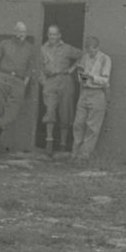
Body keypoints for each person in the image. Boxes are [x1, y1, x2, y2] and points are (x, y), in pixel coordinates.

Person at [0, 21, 36, 157]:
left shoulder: (29, 48)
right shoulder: (4, 44)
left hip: (19, 81)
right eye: (19, 31)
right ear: (14, 32)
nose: (22, 34)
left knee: (11, 113)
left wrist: (24, 83)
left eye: (24, 32)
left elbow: (31, 68)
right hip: (3, 78)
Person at [39, 25, 82, 157]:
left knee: (65, 112)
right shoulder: (43, 49)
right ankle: (49, 142)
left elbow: (82, 55)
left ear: (59, 35)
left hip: (65, 80)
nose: (52, 37)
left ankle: (63, 144)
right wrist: (43, 81)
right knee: (50, 110)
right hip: (50, 81)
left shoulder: (67, 48)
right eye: (50, 34)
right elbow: (39, 66)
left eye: (54, 34)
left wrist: (72, 69)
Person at [71, 36, 112, 160]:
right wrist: (84, 79)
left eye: (93, 50)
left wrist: (92, 77)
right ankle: (74, 153)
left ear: (98, 48)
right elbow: (80, 76)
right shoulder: (85, 57)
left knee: (92, 126)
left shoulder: (105, 59)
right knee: (78, 123)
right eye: (89, 50)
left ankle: (84, 156)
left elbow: (105, 80)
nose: (91, 53)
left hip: (97, 92)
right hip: (85, 92)